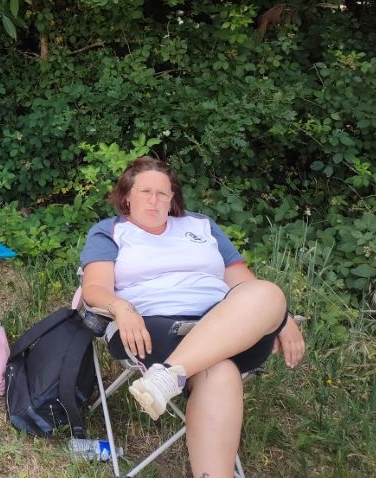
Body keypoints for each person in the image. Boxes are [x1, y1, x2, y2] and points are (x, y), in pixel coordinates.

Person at [78, 157, 305, 478]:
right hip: (151, 329)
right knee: (219, 371)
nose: (154, 200)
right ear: (127, 195)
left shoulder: (201, 226)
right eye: (145, 192)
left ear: (173, 198)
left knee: (269, 292)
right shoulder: (111, 231)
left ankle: (168, 376)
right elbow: (95, 289)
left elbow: (245, 284)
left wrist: (282, 317)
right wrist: (121, 308)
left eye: (162, 193)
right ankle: (175, 376)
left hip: (230, 329)